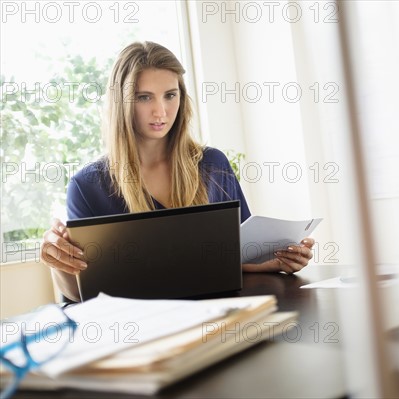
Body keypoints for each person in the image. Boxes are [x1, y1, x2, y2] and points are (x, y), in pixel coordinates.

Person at [41, 41, 314, 302]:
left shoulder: (213, 165)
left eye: (170, 95)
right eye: (144, 97)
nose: (160, 111)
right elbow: (81, 295)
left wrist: (273, 261)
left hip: (222, 317)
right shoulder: (88, 186)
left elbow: (235, 258)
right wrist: (58, 261)